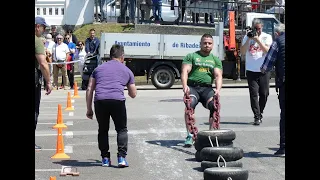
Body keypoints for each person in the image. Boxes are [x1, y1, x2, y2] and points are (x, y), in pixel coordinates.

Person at [85, 44, 137, 167]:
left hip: (100, 101)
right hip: (117, 101)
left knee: (103, 130)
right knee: (121, 129)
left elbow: (89, 89)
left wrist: (89, 109)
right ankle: (121, 158)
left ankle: (105, 159)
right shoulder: (127, 71)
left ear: (110, 56)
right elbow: (133, 94)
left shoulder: (98, 69)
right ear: (122, 57)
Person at [181, 33, 223, 147]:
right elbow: (185, 71)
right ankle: (190, 135)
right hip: (193, 87)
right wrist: (185, 86)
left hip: (207, 88)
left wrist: (218, 90)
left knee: (214, 106)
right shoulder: (192, 56)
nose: (207, 45)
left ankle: (211, 134)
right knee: (189, 106)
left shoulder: (215, 60)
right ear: (200, 44)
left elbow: (218, 75)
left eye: (209, 43)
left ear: (212, 45)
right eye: (204, 43)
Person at [240, 18, 273, 125]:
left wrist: (258, 39)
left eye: (259, 29)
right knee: (254, 94)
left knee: (264, 93)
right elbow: (243, 52)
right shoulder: (247, 37)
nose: (257, 31)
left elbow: (267, 51)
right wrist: (249, 39)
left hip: (264, 70)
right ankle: (256, 116)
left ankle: (260, 112)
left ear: (262, 27)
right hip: (251, 70)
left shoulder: (267, 37)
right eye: (256, 28)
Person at [260, 23, 285, 157]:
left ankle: (283, 148)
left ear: (277, 33)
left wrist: (263, 70)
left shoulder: (278, 42)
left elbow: (266, 65)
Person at [35, 16, 52, 151]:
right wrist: (49, 81)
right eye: (43, 27)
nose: (44, 30)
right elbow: (43, 63)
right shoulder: (36, 41)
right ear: (37, 27)